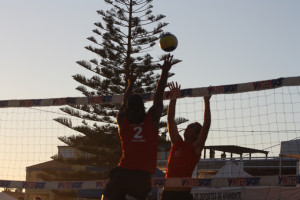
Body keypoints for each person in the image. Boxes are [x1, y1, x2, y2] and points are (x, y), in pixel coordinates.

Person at [101, 54, 175, 200]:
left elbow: (124, 103)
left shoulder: (123, 120)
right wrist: (165, 72)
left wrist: (130, 83)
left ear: (128, 109)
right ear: (143, 107)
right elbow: (158, 96)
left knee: (107, 197)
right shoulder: (151, 119)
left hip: (123, 173)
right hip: (142, 177)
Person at [161, 81, 211, 200]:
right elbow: (170, 120)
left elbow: (206, 124)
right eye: (188, 125)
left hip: (182, 194)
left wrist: (206, 101)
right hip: (167, 193)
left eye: (192, 127)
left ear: (196, 135)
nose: (188, 127)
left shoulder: (196, 147)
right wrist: (173, 98)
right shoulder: (177, 142)